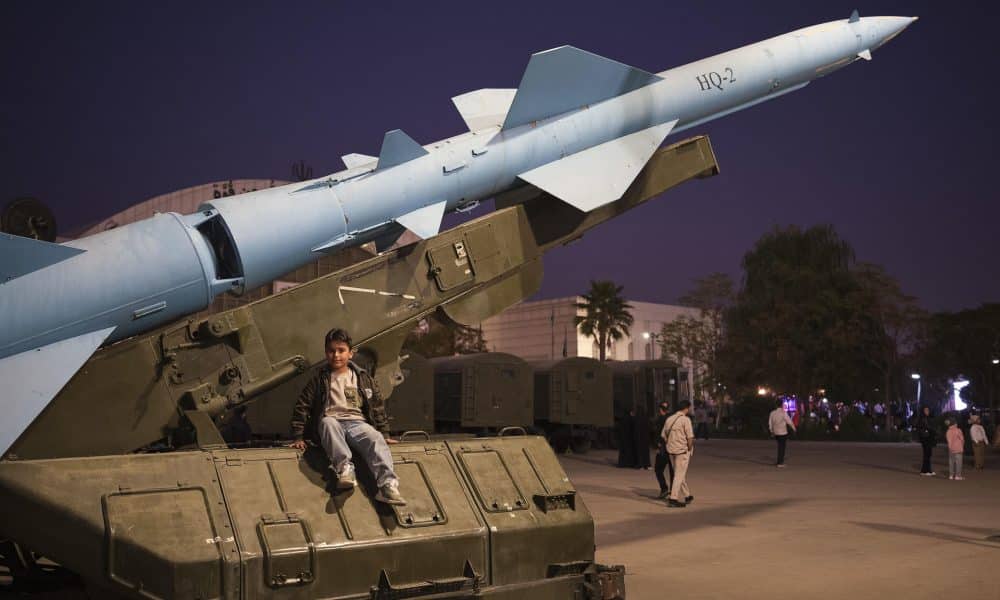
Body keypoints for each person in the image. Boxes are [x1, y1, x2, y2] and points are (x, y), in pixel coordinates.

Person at [290, 328, 406, 505]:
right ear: (326, 353)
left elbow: (376, 404)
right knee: (328, 423)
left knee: (375, 439)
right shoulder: (320, 378)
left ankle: (388, 485)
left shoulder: (362, 377)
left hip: (356, 423)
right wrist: (298, 435)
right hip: (332, 422)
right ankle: (345, 469)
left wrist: (384, 432)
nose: (336, 355)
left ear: (351, 353)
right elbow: (303, 405)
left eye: (341, 350)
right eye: (331, 350)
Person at [661, 400, 695, 508]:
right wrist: (689, 449)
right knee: (679, 475)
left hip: (671, 451)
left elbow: (663, 435)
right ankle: (673, 498)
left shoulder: (669, 419)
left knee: (678, 473)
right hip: (682, 451)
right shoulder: (686, 420)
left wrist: (670, 443)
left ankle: (687, 495)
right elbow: (690, 437)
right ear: (686, 408)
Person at [653, 402, 675, 499]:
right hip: (673, 448)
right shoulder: (671, 419)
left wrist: (658, 446)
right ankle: (673, 492)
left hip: (663, 448)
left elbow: (659, 434)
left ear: (660, 409)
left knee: (658, 469)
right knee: (672, 471)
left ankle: (664, 488)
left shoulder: (660, 420)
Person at [768, 401, 796, 468]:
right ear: (781, 405)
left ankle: (779, 461)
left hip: (776, 432)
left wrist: (771, 431)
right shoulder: (783, 413)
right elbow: (789, 421)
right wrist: (794, 428)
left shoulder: (772, 413)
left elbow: (770, 423)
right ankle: (780, 462)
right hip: (783, 432)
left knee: (779, 446)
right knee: (782, 447)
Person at [914, 406, 937, 476]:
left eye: (928, 410)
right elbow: (927, 427)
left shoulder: (928, 418)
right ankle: (924, 471)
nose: (927, 411)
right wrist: (934, 431)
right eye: (926, 410)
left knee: (929, 454)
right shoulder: (922, 419)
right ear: (923, 411)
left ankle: (928, 470)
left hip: (929, 438)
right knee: (926, 454)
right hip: (925, 438)